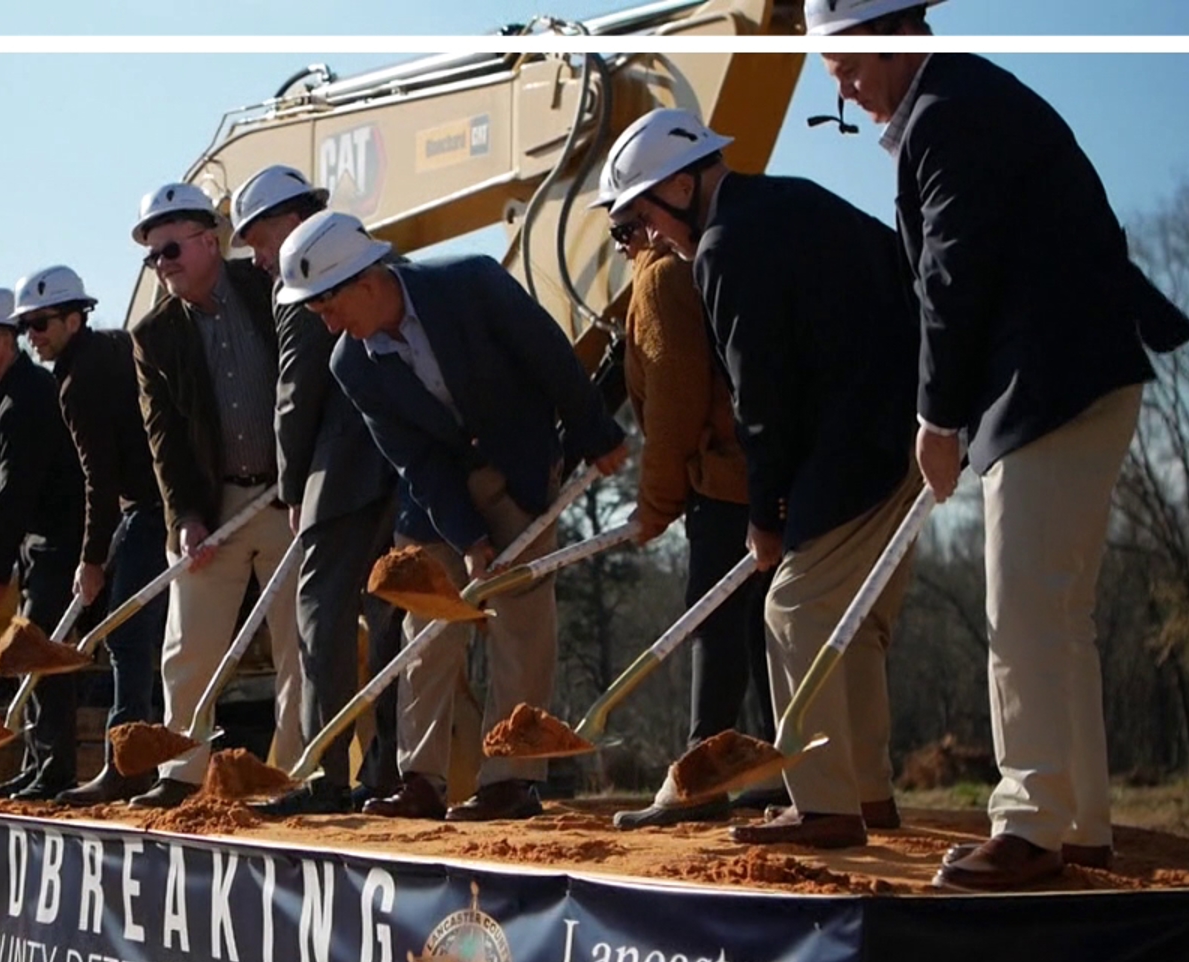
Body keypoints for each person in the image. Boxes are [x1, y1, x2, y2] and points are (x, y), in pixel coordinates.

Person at [807, 0, 1189, 886]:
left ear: (898, 36)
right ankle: (1079, 826)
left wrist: (936, 419)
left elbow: (953, 275)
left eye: (852, 69)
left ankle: (1028, 827)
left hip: (1049, 384)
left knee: (1021, 612)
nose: (851, 92)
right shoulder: (968, 100)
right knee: (1059, 617)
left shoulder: (946, 117)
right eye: (835, 81)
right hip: (1085, 373)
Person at [599, 107, 919, 849]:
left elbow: (760, 395)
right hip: (906, 424)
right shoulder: (796, 198)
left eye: (642, 220)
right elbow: (900, 271)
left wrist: (766, 512)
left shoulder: (722, 246)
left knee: (793, 611)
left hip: (855, 442)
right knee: (854, 621)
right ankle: (868, 794)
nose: (648, 240)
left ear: (681, 186)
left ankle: (824, 806)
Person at [275, 211, 628, 823]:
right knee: (426, 629)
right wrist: (465, 536)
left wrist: (597, 432)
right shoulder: (350, 364)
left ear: (366, 280)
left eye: (328, 306)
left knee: (521, 617)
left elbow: (551, 358)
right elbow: (410, 454)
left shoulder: (471, 283)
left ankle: (509, 780)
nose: (327, 323)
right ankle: (421, 778)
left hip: (518, 465)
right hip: (436, 492)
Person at [587, 218, 780, 831]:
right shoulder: (711, 261)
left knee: (714, 622)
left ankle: (699, 782)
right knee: (760, 624)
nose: (619, 246)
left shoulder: (662, 278)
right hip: (760, 474)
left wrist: (656, 503)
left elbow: (672, 403)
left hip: (724, 481)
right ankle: (781, 770)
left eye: (620, 231)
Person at [227, 165, 401, 816]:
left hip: (342, 475)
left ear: (288, 220)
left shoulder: (298, 282)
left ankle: (326, 776)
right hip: (403, 469)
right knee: (390, 618)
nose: (257, 257)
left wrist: (291, 485)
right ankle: (389, 774)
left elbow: (295, 397)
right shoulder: (369, 257)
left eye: (257, 238)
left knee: (319, 621)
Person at [126, 182, 304, 809]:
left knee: (300, 641)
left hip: (290, 497)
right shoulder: (153, 337)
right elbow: (163, 440)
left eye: (170, 248)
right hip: (217, 505)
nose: (163, 264)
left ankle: (297, 771)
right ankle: (179, 772)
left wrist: (305, 473)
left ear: (209, 240)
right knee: (188, 642)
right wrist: (186, 518)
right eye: (152, 256)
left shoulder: (271, 289)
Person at [10, 265, 169, 807]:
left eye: (42, 324)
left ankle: (129, 766)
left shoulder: (78, 382)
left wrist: (92, 559)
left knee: (126, 633)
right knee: (141, 635)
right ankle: (142, 756)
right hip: (153, 505)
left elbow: (97, 479)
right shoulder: (116, 347)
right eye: (27, 326)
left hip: (152, 508)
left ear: (75, 318)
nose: (33, 336)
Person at [0, 286, 85, 802]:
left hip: (61, 540)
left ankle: (54, 769)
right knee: (35, 656)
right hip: (39, 544)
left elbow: (15, 489)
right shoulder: (2, 399)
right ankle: (41, 762)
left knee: (42, 656)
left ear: (7, 340)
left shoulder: (26, 400)